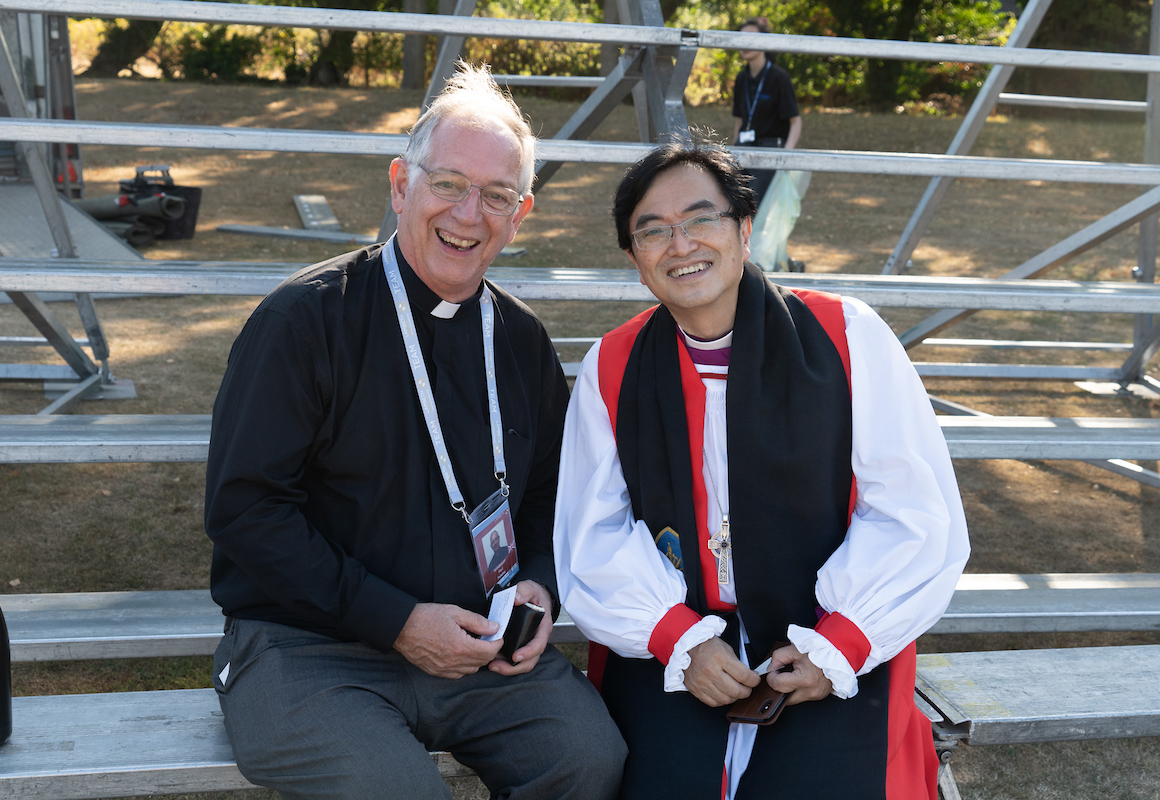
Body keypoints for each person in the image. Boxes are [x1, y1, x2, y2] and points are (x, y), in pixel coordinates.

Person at [205, 62, 626, 800]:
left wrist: (538, 584)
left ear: (520, 214)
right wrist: (396, 621)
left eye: (496, 196)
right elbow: (246, 511)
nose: (469, 215)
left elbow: (550, 491)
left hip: (478, 650)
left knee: (587, 757)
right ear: (402, 185)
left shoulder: (522, 340)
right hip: (311, 647)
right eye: (449, 185)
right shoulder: (301, 323)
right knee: (395, 790)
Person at [553, 139, 969, 799]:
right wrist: (678, 640)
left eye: (701, 219)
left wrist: (840, 645)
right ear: (636, 262)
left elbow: (915, 513)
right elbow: (590, 532)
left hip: (819, 634)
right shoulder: (612, 366)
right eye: (652, 232)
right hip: (682, 643)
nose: (680, 244)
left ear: (745, 230)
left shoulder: (848, 336)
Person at [731, 17, 802, 205]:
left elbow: (795, 122)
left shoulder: (779, 77)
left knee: (752, 206)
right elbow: (739, 120)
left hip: (770, 149)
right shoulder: (741, 78)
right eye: (741, 39)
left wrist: (785, 158)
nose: (745, 44)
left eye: (751, 38)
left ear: (764, 41)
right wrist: (734, 152)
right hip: (744, 147)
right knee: (734, 203)